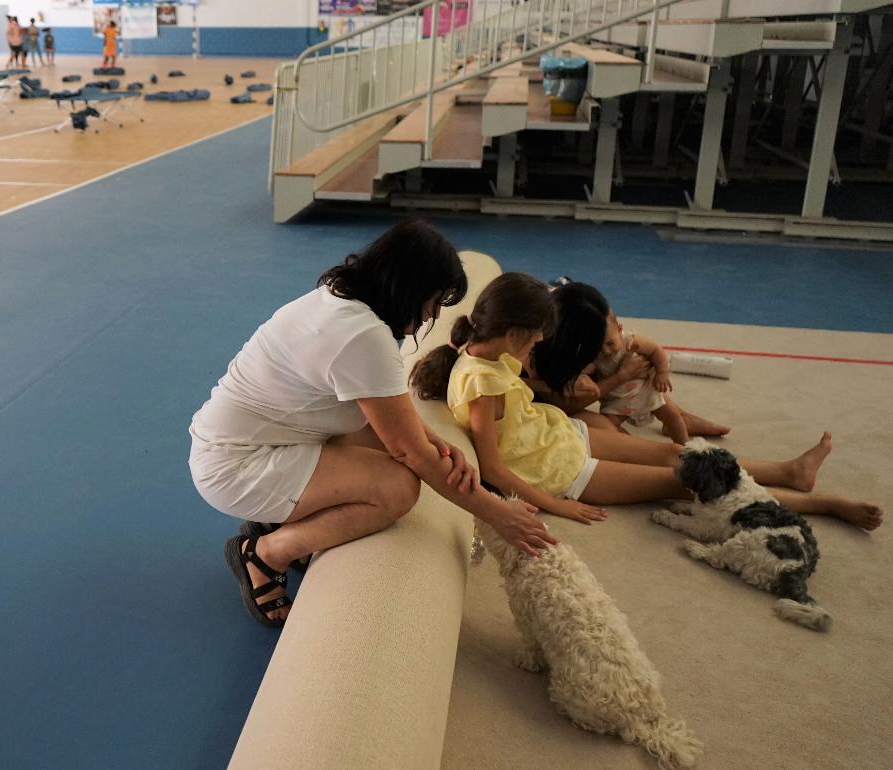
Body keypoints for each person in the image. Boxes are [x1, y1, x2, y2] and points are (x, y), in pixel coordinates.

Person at [189, 221, 555, 628]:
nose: (433, 315)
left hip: (252, 442)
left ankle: (281, 515)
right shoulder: (363, 336)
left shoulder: (338, 298)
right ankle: (267, 552)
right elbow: (408, 452)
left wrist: (438, 442)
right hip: (236, 468)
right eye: (435, 302)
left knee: (408, 454)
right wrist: (497, 514)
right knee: (397, 489)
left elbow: (392, 420)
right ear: (411, 289)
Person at [410, 272, 883, 530]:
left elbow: (526, 406)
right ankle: (820, 504)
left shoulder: (484, 355)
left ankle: (788, 472)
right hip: (564, 473)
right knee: (682, 480)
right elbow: (492, 469)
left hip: (559, 435)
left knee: (677, 453)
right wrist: (555, 506)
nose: (537, 347)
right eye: (535, 339)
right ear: (514, 333)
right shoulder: (482, 384)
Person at [593, 309, 729, 443]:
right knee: (606, 427)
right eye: (597, 347)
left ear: (620, 329)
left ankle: (684, 445)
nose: (605, 351)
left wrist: (662, 373)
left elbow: (656, 350)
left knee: (673, 416)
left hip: (645, 392)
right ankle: (632, 445)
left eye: (610, 343)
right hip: (616, 401)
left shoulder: (629, 341)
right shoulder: (591, 355)